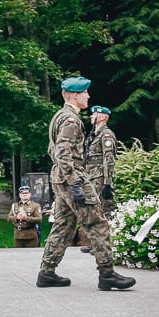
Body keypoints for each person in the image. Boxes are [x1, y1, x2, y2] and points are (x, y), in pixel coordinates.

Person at [36, 76, 135, 290]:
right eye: (85, 93)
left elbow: (53, 150)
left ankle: (47, 272)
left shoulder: (59, 116)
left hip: (61, 178)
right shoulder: (71, 120)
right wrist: (75, 183)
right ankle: (107, 273)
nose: (88, 96)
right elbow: (63, 153)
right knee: (97, 222)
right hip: (73, 178)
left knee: (63, 225)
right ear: (74, 95)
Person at [80, 105, 118, 255]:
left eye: (94, 114)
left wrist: (107, 183)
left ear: (102, 117)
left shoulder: (106, 135)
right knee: (94, 212)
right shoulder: (94, 135)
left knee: (104, 213)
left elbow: (109, 160)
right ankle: (95, 244)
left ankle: (103, 246)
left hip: (101, 179)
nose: (90, 117)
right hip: (91, 179)